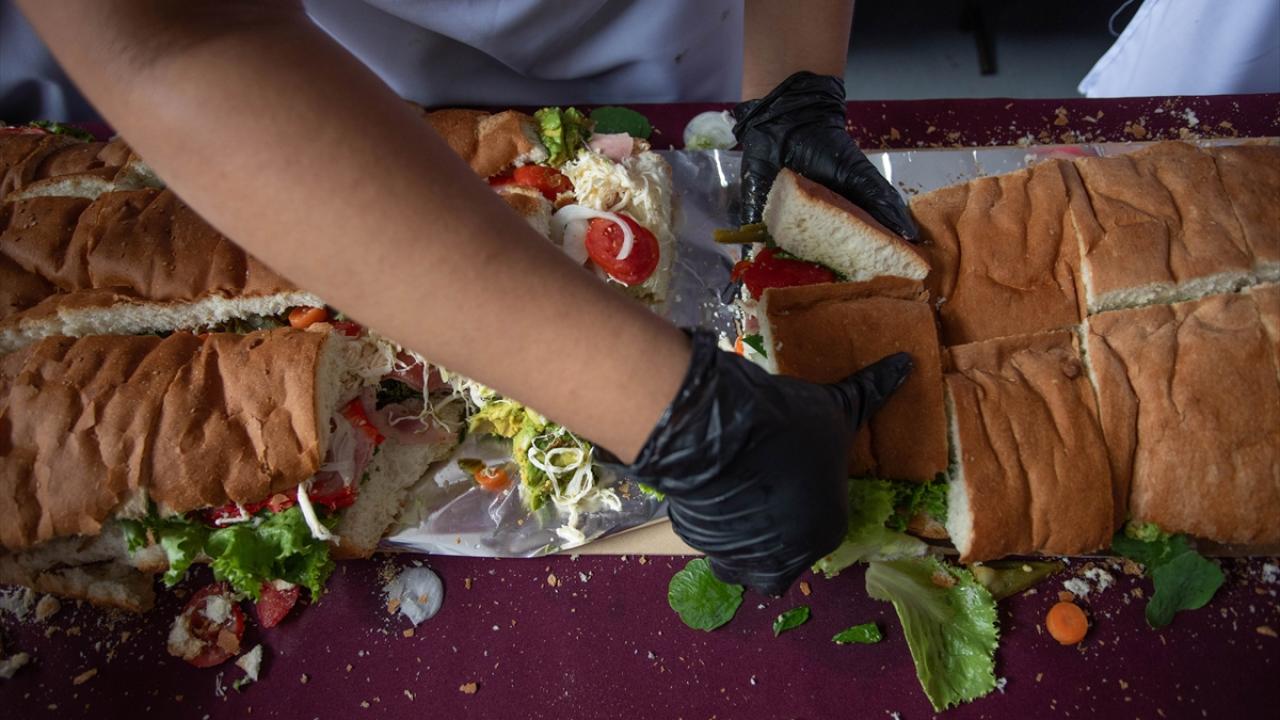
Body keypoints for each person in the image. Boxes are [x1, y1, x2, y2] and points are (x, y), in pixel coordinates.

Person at [12, 0, 917, 596]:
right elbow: (177, 36)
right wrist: (674, 415)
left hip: (674, 36)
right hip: (326, 109)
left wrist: (793, 87)